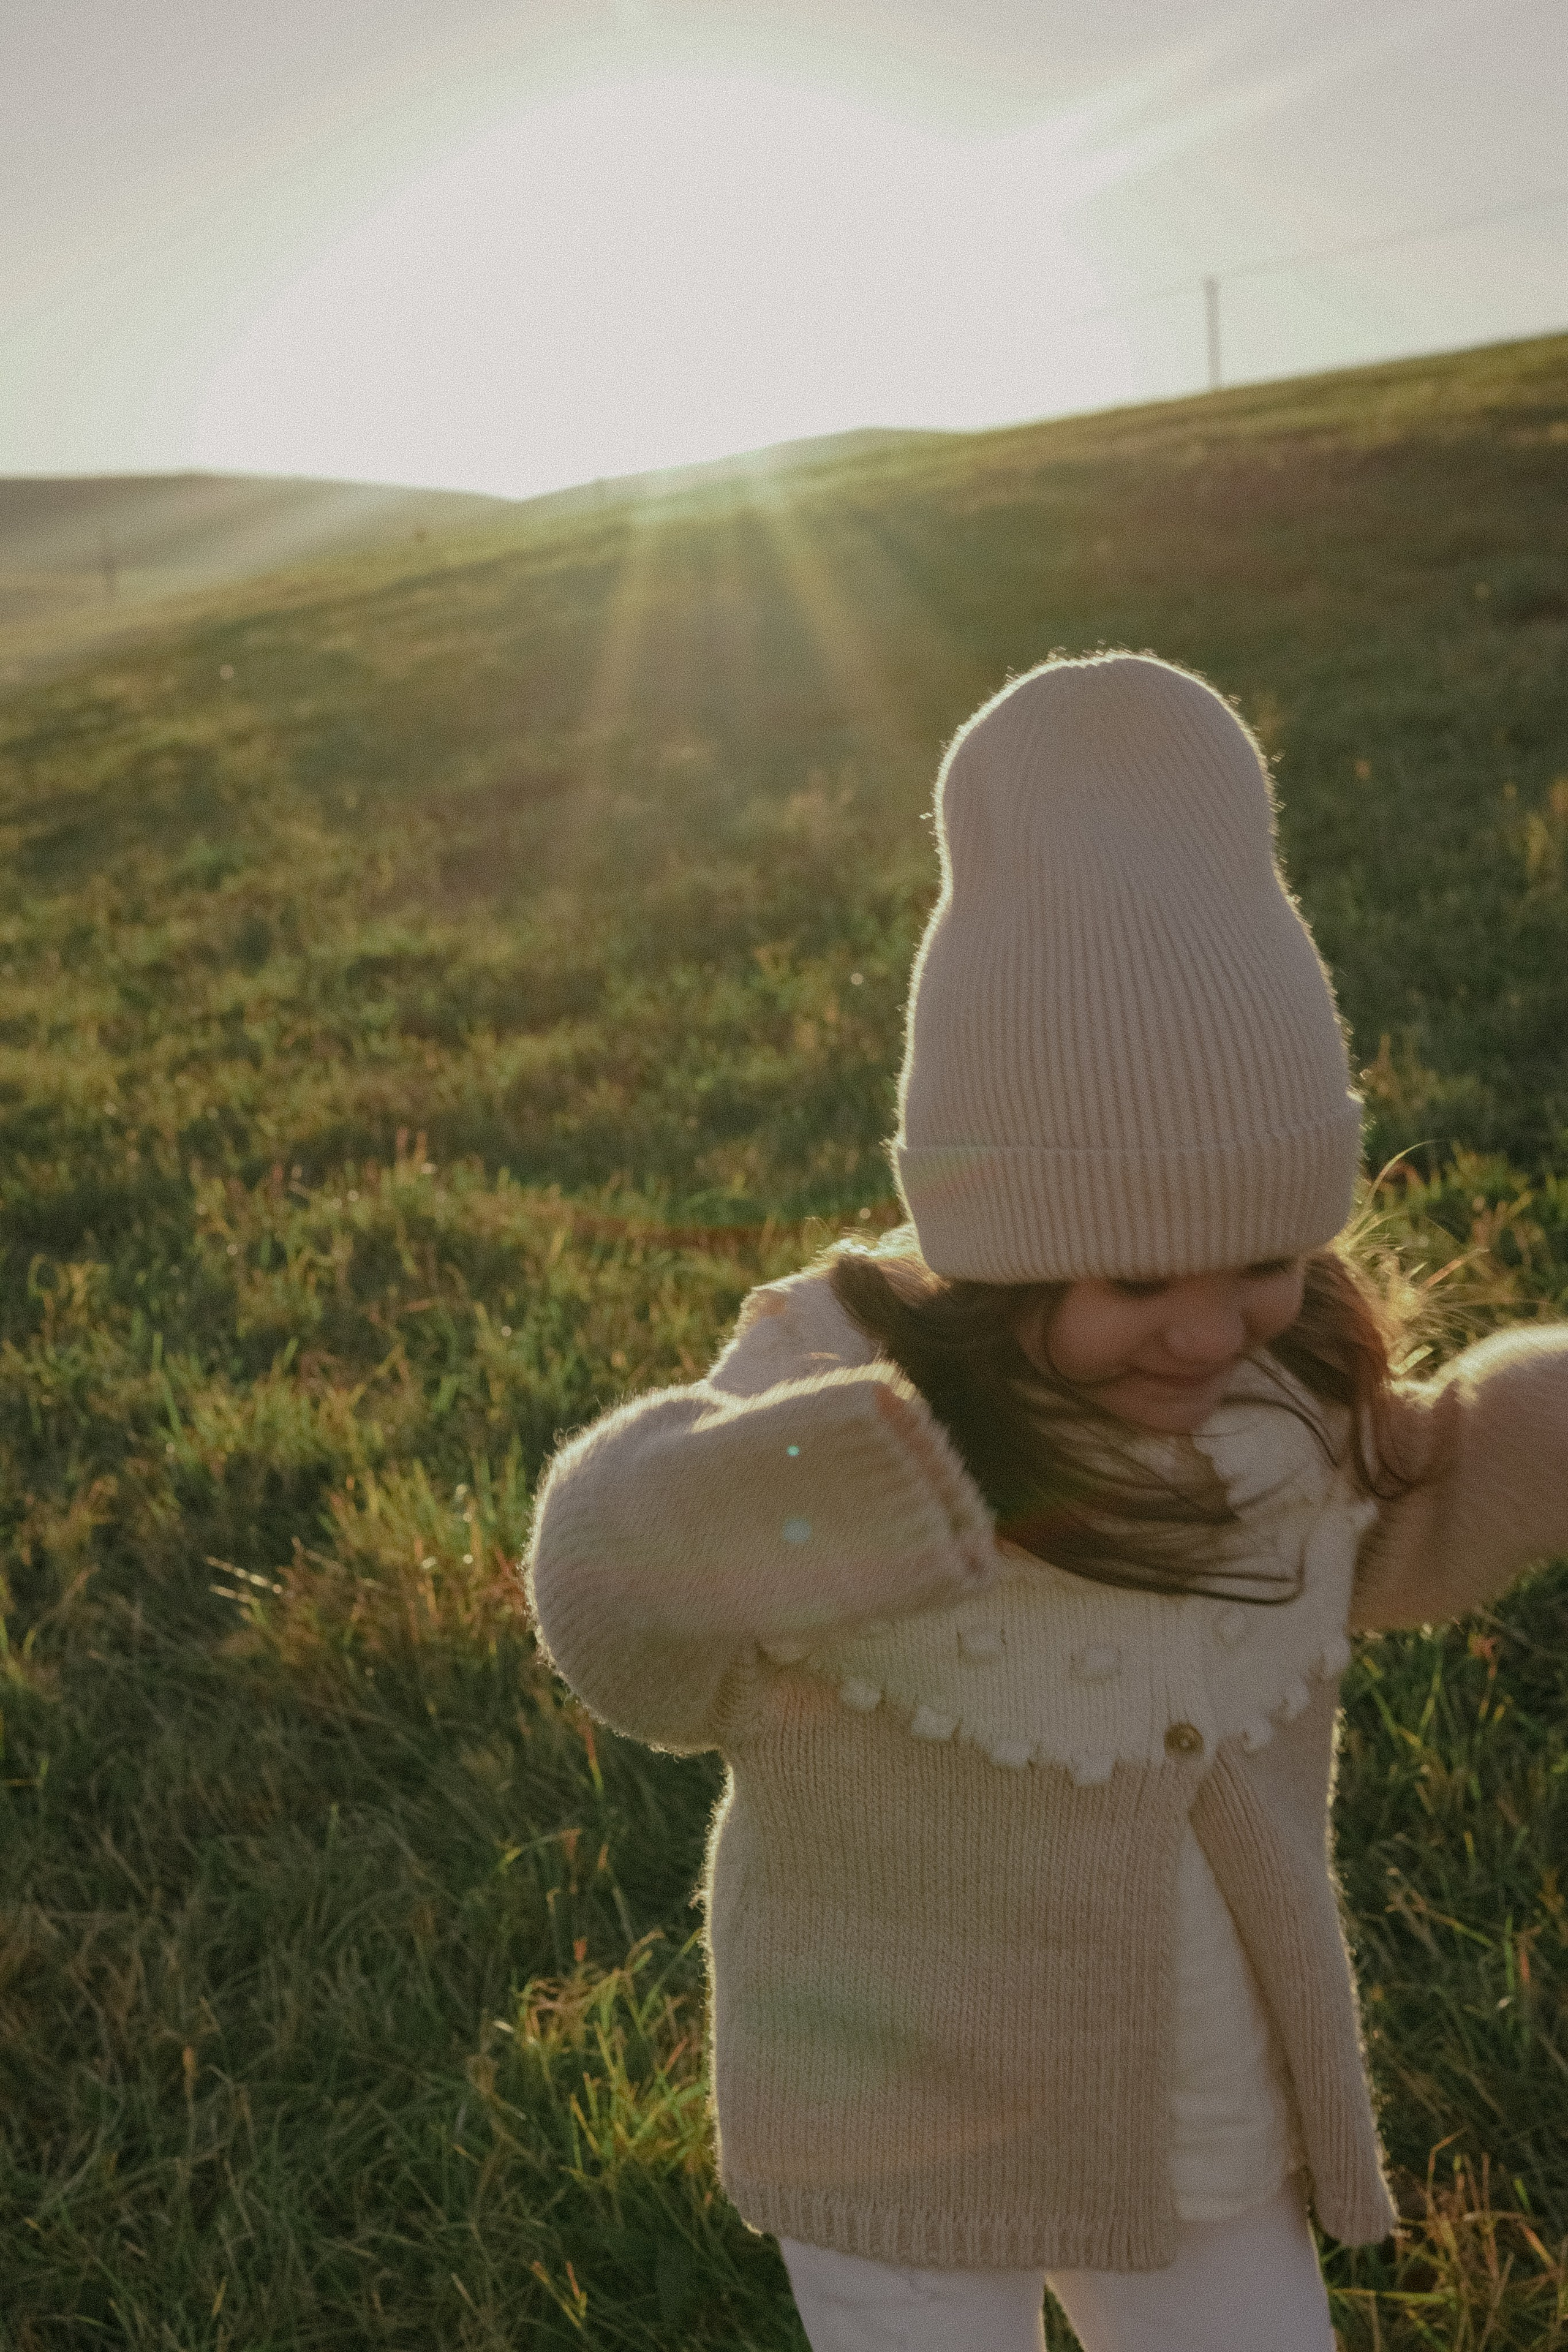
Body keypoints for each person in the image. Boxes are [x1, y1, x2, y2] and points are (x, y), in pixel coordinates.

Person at [526, 653, 1568, 2351]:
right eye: (1141, 1277)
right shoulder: (826, 1374)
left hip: (1204, 2121)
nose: (1212, 1322)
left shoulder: (1278, 1399)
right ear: (997, 1245)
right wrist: (805, 1498)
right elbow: (614, 1615)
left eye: (1268, 1257)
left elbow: (1412, 1513)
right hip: (898, 2138)